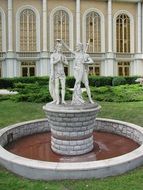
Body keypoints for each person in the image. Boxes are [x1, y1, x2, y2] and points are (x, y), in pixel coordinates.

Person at [49, 40, 68, 104]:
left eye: (61, 47)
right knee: (56, 86)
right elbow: (51, 63)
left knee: (63, 87)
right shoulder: (53, 55)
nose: (60, 48)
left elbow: (67, 63)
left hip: (62, 73)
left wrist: (62, 61)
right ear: (56, 48)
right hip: (56, 73)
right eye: (59, 47)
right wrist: (57, 60)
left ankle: (63, 100)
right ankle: (57, 100)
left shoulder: (63, 56)